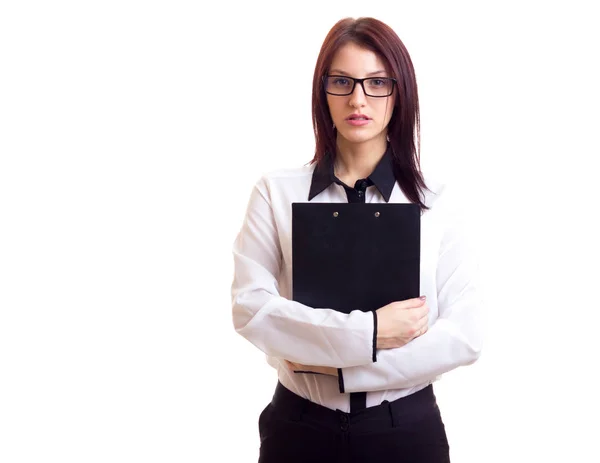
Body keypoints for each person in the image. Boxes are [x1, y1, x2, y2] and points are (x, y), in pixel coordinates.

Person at [230, 16, 483, 463]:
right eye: (342, 82)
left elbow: (463, 336)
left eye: (377, 83)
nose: (358, 99)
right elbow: (253, 309)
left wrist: (333, 365)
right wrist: (371, 332)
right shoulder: (276, 191)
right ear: (321, 90)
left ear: (398, 91)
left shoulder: (436, 203)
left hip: (405, 431)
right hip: (299, 428)